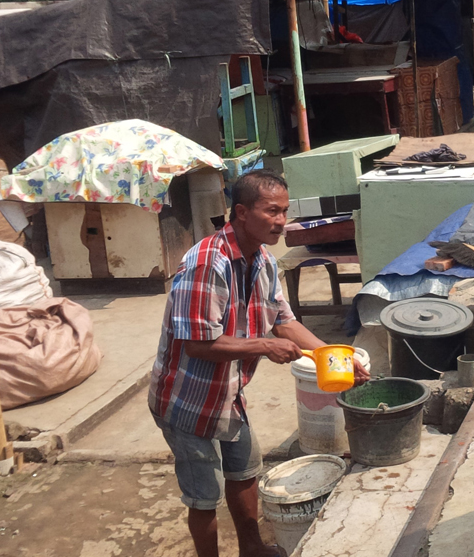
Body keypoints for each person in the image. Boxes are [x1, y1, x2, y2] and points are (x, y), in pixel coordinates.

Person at [149, 169, 368, 557]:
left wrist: (333, 358)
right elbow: (198, 346)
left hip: (230, 392)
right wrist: (263, 346)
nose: (281, 221)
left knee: (246, 470)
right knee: (204, 496)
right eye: (271, 211)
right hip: (187, 400)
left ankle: (251, 549)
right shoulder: (207, 262)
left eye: (284, 211)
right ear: (241, 213)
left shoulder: (263, 260)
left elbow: (284, 320)